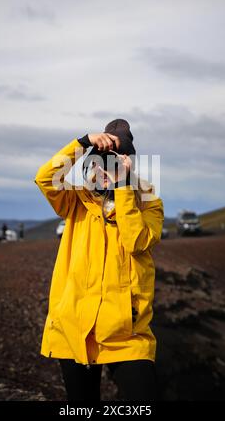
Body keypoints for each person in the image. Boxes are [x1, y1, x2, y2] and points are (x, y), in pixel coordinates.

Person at [34, 119, 164, 401]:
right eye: (99, 162)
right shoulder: (76, 200)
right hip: (75, 329)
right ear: (90, 165)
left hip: (127, 334)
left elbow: (137, 241)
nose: (106, 170)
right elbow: (44, 177)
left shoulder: (148, 198)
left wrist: (124, 187)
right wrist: (82, 143)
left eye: (115, 162)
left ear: (128, 164)